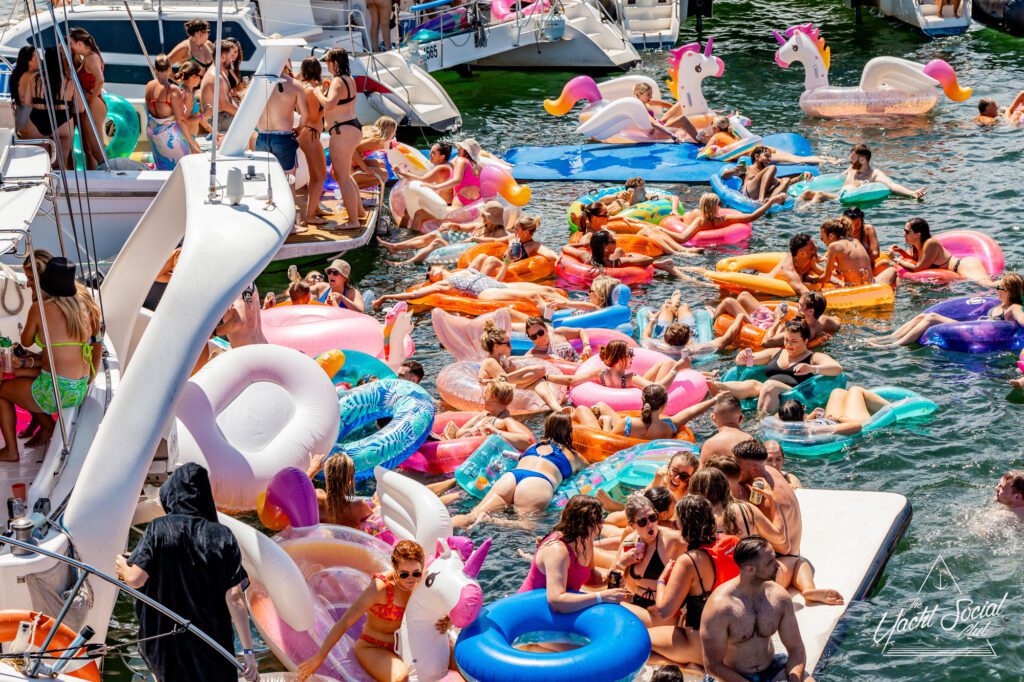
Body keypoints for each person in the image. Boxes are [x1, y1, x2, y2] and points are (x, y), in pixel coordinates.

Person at [115, 464, 260, 682]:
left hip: (166, 641)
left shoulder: (159, 529)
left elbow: (136, 580)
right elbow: (235, 597)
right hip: (212, 643)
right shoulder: (223, 536)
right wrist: (248, 653)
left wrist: (123, 568)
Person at [297, 541, 455, 681]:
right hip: (374, 647)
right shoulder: (381, 588)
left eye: (416, 573)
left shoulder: (424, 582)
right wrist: (319, 657)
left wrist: (448, 621)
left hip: (409, 644)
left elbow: (446, 607)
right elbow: (345, 622)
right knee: (400, 677)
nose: (411, 579)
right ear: (395, 569)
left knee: (455, 657)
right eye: (404, 574)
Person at [0, 257, 100, 462]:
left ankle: (11, 450)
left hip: (56, 390)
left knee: (1, 390)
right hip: (78, 387)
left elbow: (26, 341)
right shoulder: (80, 305)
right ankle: (48, 428)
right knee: (17, 378)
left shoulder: (41, 308)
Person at [732, 440, 842, 605]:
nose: (733, 471)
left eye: (736, 467)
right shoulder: (773, 473)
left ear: (754, 468)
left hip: (777, 569)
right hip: (794, 556)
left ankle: (803, 585)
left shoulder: (763, 496)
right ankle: (808, 588)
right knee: (799, 562)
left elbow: (782, 546)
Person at [700, 536, 814, 682]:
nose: (777, 565)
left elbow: (796, 648)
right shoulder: (720, 608)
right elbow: (713, 666)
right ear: (750, 569)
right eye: (770, 562)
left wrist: (795, 678)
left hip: (771, 668)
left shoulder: (779, 597)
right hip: (733, 677)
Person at [648, 495, 740, 666]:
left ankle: (689, 667)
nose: (674, 525)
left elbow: (664, 611)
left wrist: (662, 580)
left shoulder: (689, 562)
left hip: (705, 645)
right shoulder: (732, 543)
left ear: (685, 525)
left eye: (677, 521)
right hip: (735, 641)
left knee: (640, 641)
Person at [452, 412, 589, 526]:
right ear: (569, 431)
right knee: (528, 525)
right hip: (537, 483)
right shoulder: (574, 456)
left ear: (546, 428)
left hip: (511, 477)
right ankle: (491, 520)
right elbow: (591, 470)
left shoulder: (533, 447)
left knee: (471, 516)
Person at [517, 496, 629, 610]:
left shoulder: (586, 540)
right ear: (582, 523)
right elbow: (556, 600)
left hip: (560, 607)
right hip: (529, 609)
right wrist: (601, 596)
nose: (602, 522)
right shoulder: (557, 550)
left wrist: (612, 578)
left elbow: (590, 577)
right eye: (598, 519)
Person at [711, 320, 843, 416]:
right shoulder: (776, 352)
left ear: (805, 341)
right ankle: (717, 389)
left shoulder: (814, 357)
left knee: (770, 385)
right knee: (752, 384)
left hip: (795, 393)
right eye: (786, 340)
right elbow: (751, 361)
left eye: (794, 341)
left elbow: (837, 369)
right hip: (766, 390)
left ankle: (759, 421)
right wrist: (742, 358)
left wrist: (812, 369)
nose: (788, 344)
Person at [871, 272, 1023, 347]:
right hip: (974, 329)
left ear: (1010, 291)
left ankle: (895, 346)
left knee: (932, 318)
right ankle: (890, 337)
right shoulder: (997, 303)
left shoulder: (1014, 307)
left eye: (1000, 287)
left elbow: (1022, 319)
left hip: (977, 335)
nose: (997, 289)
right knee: (923, 316)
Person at [610, 493, 686, 624]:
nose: (650, 524)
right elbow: (611, 584)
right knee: (606, 603)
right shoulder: (629, 542)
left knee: (609, 609)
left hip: (661, 613)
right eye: (642, 522)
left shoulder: (673, 540)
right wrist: (622, 564)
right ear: (632, 525)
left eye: (652, 517)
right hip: (637, 602)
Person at [374, 265, 571, 313]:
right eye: (427, 276)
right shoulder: (443, 283)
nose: (429, 273)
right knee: (533, 295)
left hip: (496, 284)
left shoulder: (460, 269)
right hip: (484, 292)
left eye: (429, 270)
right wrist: (385, 297)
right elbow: (415, 294)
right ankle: (554, 318)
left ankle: (576, 305)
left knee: (545, 291)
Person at [314, 48, 362, 230]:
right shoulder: (349, 80)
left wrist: (318, 92)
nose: (326, 65)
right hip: (352, 128)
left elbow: (329, 104)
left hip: (342, 132)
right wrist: (327, 89)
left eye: (327, 61)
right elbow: (340, 100)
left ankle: (353, 221)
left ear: (335, 62)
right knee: (345, 176)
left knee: (342, 177)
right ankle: (358, 213)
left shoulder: (337, 81)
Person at [886, 217, 1001, 288]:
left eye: (906, 231)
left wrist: (896, 259)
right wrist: (901, 252)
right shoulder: (918, 246)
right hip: (960, 266)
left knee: (987, 285)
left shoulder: (931, 243)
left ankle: (1012, 283)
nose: (903, 234)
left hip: (964, 266)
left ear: (918, 234)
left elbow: (918, 268)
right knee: (986, 285)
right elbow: (917, 260)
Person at [573, 384, 715, 441]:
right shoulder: (670, 426)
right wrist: (714, 399)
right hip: (642, 436)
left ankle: (567, 416)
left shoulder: (627, 423)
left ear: (642, 400)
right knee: (602, 405)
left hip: (619, 437)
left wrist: (607, 421)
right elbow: (691, 412)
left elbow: (606, 441)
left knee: (581, 409)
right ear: (665, 405)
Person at [548, 339, 692, 395]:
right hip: (634, 390)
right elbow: (659, 389)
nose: (633, 356)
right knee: (670, 364)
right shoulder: (631, 378)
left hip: (618, 387)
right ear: (619, 358)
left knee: (664, 363)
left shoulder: (600, 373)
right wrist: (675, 370)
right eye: (630, 354)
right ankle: (684, 369)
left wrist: (547, 377)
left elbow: (571, 380)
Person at [478, 321, 563, 413]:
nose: (511, 347)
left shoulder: (502, 361)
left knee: (539, 379)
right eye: (508, 344)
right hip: (497, 395)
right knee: (539, 370)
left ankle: (558, 409)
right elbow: (505, 383)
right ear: (496, 346)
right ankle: (557, 409)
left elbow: (523, 359)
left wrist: (509, 367)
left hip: (509, 389)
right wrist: (530, 369)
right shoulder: (490, 362)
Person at [799, 144, 926, 202]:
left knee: (820, 195)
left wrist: (912, 193)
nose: (850, 160)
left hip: (845, 200)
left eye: (853, 158)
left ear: (863, 160)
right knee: (807, 193)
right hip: (837, 196)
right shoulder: (852, 168)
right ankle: (791, 209)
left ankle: (801, 213)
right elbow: (836, 178)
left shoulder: (874, 174)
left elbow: (892, 186)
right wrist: (810, 178)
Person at [442, 379, 534, 450]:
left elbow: (527, 441)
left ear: (493, 397)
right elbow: (458, 433)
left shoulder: (505, 421)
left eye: (485, 392)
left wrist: (496, 432)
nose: (482, 395)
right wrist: (473, 430)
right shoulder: (484, 414)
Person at [254, 65, 309, 184]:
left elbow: (246, 109)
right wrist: (299, 128)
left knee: (265, 182)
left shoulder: (256, 84)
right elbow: (306, 115)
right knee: (289, 183)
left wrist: (257, 127)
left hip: (262, 136)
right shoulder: (294, 85)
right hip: (283, 138)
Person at [145, 55, 201, 171]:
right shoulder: (172, 90)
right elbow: (181, 120)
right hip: (170, 138)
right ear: (170, 69)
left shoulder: (149, 86)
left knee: (162, 169)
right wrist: (191, 143)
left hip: (153, 135)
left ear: (155, 69)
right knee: (178, 172)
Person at [673, 192, 786, 245]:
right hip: (725, 249)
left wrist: (662, 230)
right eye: (720, 203)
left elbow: (682, 238)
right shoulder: (724, 219)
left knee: (692, 213)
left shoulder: (700, 221)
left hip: (702, 248)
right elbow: (752, 216)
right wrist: (771, 201)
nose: (721, 206)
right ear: (716, 206)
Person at [777, 387, 898, 436]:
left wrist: (812, 417)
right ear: (802, 416)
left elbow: (795, 424)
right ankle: (898, 408)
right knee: (855, 390)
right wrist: (838, 418)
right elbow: (856, 426)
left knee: (838, 392)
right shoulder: (816, 430)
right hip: (848, 422)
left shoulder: (790, 429)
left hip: (828, 420)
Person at [391, 142, 455, 231]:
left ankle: (411, 238)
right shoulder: (450, 165)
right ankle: (400, 231)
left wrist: (401, 172)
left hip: (443, 208)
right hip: (440, 204)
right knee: (408, 209)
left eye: (433, 153)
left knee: (418, 214)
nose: (429, 154)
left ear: (442, 157)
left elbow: (422, 180)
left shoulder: (442, 168)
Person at [31, 48, 77, 169]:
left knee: (41, 164)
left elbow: (26, 103)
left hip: (37, 120)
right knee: (60, 166)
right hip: (62, 121)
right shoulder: (70, 81)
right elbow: (80, 108)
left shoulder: (34, 79)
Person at [296, 57, 329, 226]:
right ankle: (310, 215)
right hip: (311, 133)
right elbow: (315, 116)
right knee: (320, 175)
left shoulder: (300, 85)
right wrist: (326, 102)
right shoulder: (312, 89)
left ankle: (315, 208)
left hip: (305, 133)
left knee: (314, 174)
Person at [719, 144, 813, 202]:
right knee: (772, 168)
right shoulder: (746, 168)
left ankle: (770, 201)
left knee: (786, 180)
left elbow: (784, 182)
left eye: (770, 157)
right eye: (766, 156)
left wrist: (801, 177)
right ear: (756, 156)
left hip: (764, 197)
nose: (769, 159)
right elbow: (724, 176)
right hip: (749, 193)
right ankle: (761, 199)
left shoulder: (767, 174)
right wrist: (734, 170)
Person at [68, 28, 106, 170]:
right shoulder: (88, 58)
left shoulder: (92, 58)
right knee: (90, 148)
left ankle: (107, 174)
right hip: (92, 103)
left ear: (79, 43)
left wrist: (91, 99)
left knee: (97, 148)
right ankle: (99, 174)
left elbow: (100, 79)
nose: (70, 47)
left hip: (94, 105)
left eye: (72, 43)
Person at [819, 219, 897, 287]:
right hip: (871, 283)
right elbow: (850, 263)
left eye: (822, 237)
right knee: (892, 270)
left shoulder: (833, 246)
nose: (823, 240)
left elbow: (826, 278)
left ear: (831, 236)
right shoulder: (855, 240)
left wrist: (811, 280)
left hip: (855, 287)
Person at [427, 139, 483, 208]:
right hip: (476, 202)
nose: (458, 149)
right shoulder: (481, 166)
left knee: (420, 214)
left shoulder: (461, 161)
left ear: (465, 150)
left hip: (461, 202)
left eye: (460, 147)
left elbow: (457, 180)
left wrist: (436, 187)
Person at [200, 39, 240, 133]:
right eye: (231, 56)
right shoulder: (216, 77)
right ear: (222, 57)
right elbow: (225, 105)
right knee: (254, 127)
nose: (233, 59)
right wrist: (244, 116)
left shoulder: (220, 72)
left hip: (222, 116)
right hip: (217, 120)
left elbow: (229, 100)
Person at [701, 394, 753, 459]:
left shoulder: (710, 444)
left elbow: (702, 469)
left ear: (713, 418)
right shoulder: (751, 441)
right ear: (740, 418)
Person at [524, 315, 590, 363]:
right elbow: (520, 360)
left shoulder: (558, 333)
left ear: (546, 329)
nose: (538, 338)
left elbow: (580, 331)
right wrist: (547, 357)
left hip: (582, 364)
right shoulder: (534, 353)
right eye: (533, 337)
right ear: (530, 338)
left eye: (540, 332)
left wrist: (586, 345)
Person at [9, 46, 43, 140]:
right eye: (38, 57)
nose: (40, 60)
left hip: (19, 117)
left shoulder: (17, 74)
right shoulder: (32, 77)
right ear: (30, 60)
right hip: (30, 120)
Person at [354, 116, 397, 185]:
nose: (395, 134)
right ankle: (353, 188)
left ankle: (355, 186)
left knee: (381, 164)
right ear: (389, 132)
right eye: (394, 132)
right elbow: (352, 150)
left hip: (352, 163)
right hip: (346, 169)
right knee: (385, 175)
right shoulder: (374, 141)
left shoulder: (375, 137)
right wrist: (365, 168)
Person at [175, 61, 206, 144]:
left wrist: (213, 132)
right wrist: (204, 115)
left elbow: (197, 117)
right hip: (187, 140)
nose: (200, 79)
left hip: (185, 138)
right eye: (200, 76)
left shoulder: (181, 89)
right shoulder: (188, 95)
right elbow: (184, 121)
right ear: (193, 76)